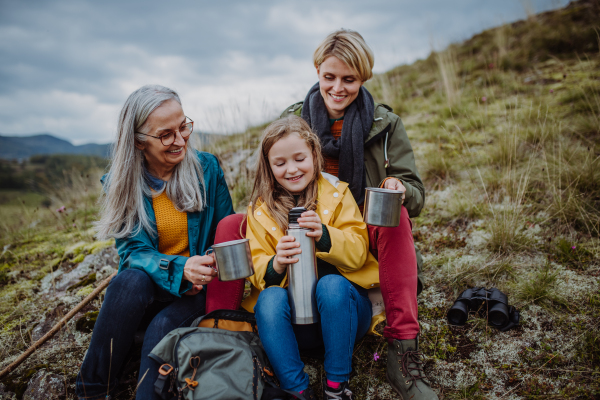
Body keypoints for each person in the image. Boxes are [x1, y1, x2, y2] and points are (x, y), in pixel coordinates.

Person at [279, 29, 437, 400]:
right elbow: (272, 180)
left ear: (363, 77)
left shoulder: (385, 125)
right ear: (317, 70)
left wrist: (399, 186)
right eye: (329, 77)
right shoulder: (293, 121)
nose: (337, 88)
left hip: (363, 230)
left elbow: (416, 194)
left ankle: (403, 349)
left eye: (349, 80)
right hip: (310, 227)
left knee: (396, 217)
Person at [76, 85, 234, 400]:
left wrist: (205, 264)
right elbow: (133, 253)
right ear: (138, 141)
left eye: (183, 127)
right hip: (149, 288)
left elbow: (225, 233)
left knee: (161, 326)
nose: (180, 140)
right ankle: (92, 390)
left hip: (196, 292)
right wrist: (180, 267)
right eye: (166, 134)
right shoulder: (122, 184)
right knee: (128, 281)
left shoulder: (207, 169)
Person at [242, 115, 378, 400]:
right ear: (269, 166)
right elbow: (256, 267)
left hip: (345, 318)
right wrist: (276, 262)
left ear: (315, 155)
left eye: (299, 158)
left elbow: (358, 252)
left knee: (332, 286)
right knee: (268, 299)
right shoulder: (260, 210)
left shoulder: (338, 194)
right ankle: (297, 389)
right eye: (280, 163)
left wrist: (325, 234)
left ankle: (336, 387)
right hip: (293, 328)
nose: (291, 169)